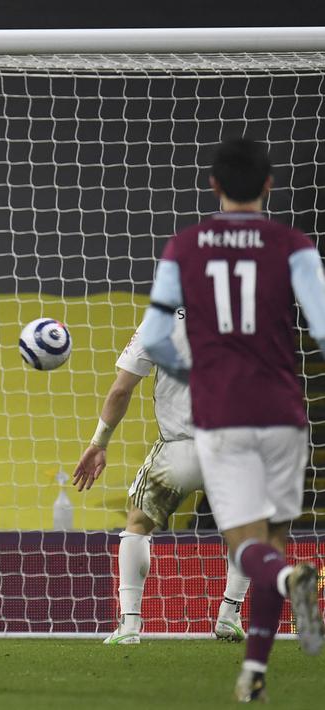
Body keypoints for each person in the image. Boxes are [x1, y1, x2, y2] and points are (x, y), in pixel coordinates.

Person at [140, 136, 325, 702]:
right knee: (273, 539)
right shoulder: (293, 245)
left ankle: (287, 583)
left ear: (214, 185)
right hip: (284, 414)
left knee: (246, 544)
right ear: (269, 184)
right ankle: (255, 671)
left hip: (222, 416)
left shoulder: (183, 247)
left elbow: (156, 340)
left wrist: (199, 372)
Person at [73, 310, 250, 645]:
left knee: (137, 524)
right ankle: (230, 614)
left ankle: (129, 626)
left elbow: (120, 391)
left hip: (177, 449)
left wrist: (99, 443)